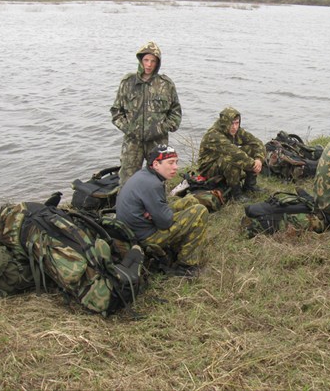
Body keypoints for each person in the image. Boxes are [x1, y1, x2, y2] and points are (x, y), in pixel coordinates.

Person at [116, 145, 210, 277]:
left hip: (135, 229)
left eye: (176, 162)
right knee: (200, 211)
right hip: (145, 238)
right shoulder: (152, 184)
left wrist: (155, 213)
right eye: (170, 163)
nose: (175, 167)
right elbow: (165, 223)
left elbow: (160, 210)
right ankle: (186, 266)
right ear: (156, 164)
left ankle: (181, 244)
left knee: (190, 201)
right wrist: (159, 215)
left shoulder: (144, 175)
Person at [110, 41, 182, 186]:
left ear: (158, 63)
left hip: (157, 142)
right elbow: (116, 112)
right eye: (146, 60)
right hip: (132, 142)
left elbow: (176, 113)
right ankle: (127, 208)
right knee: (127, 180)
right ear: (140, 60)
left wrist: (162, 128)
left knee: (157, 181)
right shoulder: (127, 82)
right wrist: (129, 129)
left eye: (153, 61)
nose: (149, 65)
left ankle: (155, 208)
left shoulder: (166, 85)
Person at [197, 107, 266, 202]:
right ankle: (236, 194)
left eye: (237, 123)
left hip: (222, 161)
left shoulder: (235, 130)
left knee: (252, 149)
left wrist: (259, 159)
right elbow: (234, 153)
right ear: (225, 123)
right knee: (232, 158)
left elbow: (257, 142)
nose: (234, 127)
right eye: (231, 123)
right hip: (208, 168)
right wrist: (254, 165)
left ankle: (249, 186)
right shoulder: (214, 135)